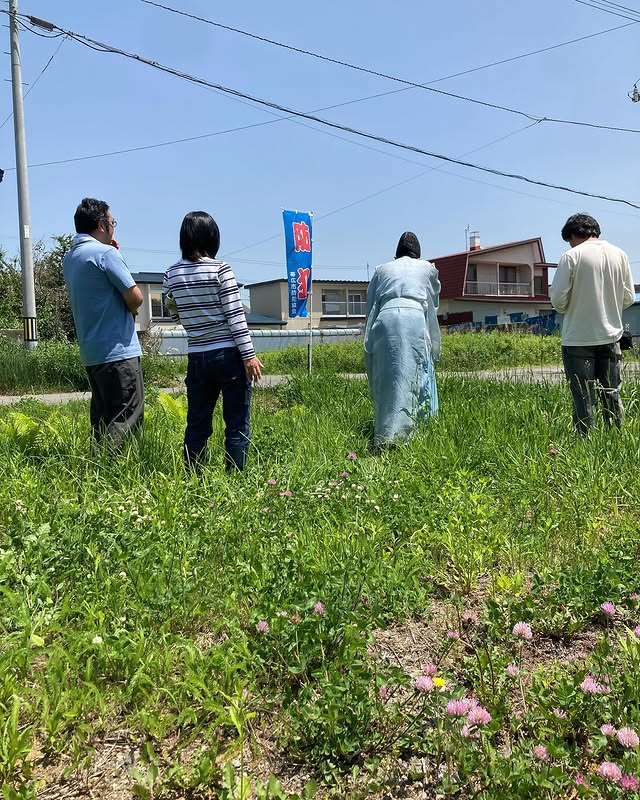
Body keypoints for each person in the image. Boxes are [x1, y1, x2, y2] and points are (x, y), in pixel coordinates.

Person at [163, 211, 263, 472]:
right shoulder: (221, 269)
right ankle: (234, 478)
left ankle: (193, 476)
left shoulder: (171, 274)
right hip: (228, 355)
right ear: (212, 237)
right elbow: (235, 315)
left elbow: (174, 314)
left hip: (197, 356)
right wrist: (249, 355)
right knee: (236, 421)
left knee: (197, 421)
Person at [63, 198, 144, 445]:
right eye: (112, 222)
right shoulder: (105, 254)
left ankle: (97, 471)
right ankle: (117, 472)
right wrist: (113, 253)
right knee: (127, 416)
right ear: (102, 224)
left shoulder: (70, 257)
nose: (113, 227)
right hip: (118, 350)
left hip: (92, 352)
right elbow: (136, 297)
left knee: (102, 417)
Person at [550, 213, 635, 434]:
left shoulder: (571, 256)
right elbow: (628, 297)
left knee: (583, 395)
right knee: (611, 392)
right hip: (611, 335)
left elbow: (558, 301)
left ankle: (585, 441)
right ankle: (615, 437)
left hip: (578, 337)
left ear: (573, 235)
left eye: (569, 239)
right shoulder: (620, 254)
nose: (570, 244)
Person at [364, 231, 441, 446]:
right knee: (418, 376)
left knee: (388, 377)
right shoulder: (427, 267)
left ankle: (385, 435)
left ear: (396, 256)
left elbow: (371, 305)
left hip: (385, 319)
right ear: (418, 255)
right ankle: (415, 435)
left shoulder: (381, 270)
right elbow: (433, 301)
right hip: (414, 318)